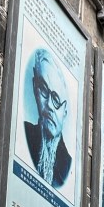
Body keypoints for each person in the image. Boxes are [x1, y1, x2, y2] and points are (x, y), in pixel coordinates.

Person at [24, 50, 72, 188]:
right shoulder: (25, 133)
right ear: (35, 87)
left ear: (65, 112)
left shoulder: (67, 166)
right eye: (44, 89)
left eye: (56, 100)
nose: (49, 105)